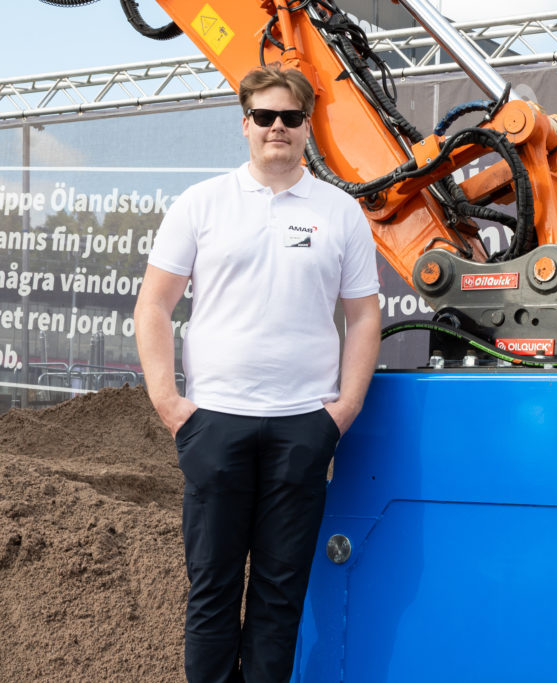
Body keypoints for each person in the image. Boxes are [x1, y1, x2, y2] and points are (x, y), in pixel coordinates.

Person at [134, 63, 381, 682]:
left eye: (291, 118)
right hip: (214, 422)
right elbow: (154, 306)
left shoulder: (340, 211)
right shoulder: (202, 203)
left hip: (303, 426)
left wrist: (343, 410)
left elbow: (362, 316)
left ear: (307, 129)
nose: (278, 127)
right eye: (265, 116)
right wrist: (169, 403)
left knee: (279, 596)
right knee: (213, 590)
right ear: (244, 124)